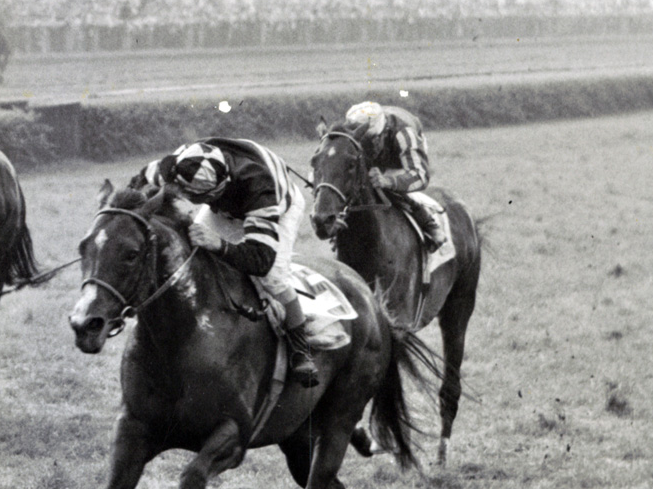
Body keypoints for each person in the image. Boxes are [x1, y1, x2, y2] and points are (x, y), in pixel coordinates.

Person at [134, 138, 320, 387]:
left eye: (193, 196)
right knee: (191, 247)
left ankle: (301, 349)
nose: (185, 197)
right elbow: (136, 186)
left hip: (279, 206)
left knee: (272, 278)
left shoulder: (259, 187)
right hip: (228, 201)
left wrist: (219, 245)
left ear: (216, 191)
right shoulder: (181, 163)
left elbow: (260, 260)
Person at [342, 101, 445, 251]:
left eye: (368, 141)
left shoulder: (404, 134)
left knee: (393, 186)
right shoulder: (353, 132)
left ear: (380, 134)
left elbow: (420, 176)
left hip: (402, 154)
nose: (365, 147)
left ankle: (429, 224)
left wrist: (388, 181)